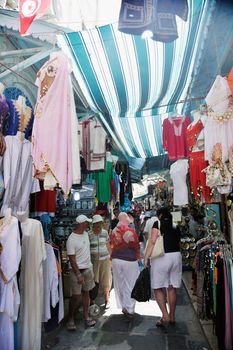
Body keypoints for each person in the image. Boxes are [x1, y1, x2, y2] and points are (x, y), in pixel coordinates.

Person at [144, 207, 182, 326]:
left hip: (162, 257)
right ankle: (172, 316)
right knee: (171, 287)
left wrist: (146, 257)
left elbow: (153, 240)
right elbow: (179, 242)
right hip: (176, 256)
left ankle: (165, 315)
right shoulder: (175, 225)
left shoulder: (158, 223)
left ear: (160, 215)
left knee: (157, 287)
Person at [66, 214, 96, 330]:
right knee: (76, 296)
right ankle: (70, 318)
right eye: (86, 222)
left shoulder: (86, 235)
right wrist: (78, 274)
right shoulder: (71, 239)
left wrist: (90, 268)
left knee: (86, 293)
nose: (88, 224)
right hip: (76, 271)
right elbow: (72, 260)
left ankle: (86, 316)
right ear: (81, 224)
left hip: (87, 269)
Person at [110, 212, 140, 318]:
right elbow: (136, 246)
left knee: (120, 284)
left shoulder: (113, 231)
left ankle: (123, 306)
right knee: (130, 284)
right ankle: (129, 308)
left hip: (116, 260)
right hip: (129, 261)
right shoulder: (130, 231)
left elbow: (111, 244)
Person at [89, 214, 112, 309]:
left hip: (105, 259)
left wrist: (111, 258)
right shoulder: (89, 234)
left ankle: (107, 299)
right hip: (94, 261)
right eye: (97, 224)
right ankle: (92, 301)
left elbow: (108, 245)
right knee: (93, 281)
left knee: (106, 280)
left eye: (100, 224)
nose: (99, 226)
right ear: (93, 225)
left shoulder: (105, 233)